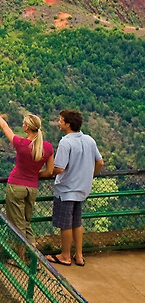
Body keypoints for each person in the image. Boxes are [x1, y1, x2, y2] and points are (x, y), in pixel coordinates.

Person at [0, 107, 54, 246]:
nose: (22, 125)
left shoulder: (22, 144)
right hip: (32, 188)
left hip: (16, 186)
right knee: (25, 222)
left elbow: (5, 127)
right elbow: (49, 171)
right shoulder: (47, 148)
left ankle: (21, 259)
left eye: (24, 123)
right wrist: (34, 174)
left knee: (17, 225)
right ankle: (33, 253)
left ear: (27, 127)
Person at [49, 109, 104, 267]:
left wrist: (48, 172)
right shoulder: (89, 140)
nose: (58, 123)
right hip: (82, 189)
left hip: (66, 190)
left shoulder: (66, 142)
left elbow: (59, 168)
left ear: (67, 124)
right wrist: (89, 176)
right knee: (76, 223)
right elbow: (100, 162)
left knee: (65, 224)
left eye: (60, 120)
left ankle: (65, 255)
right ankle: (79, 256)